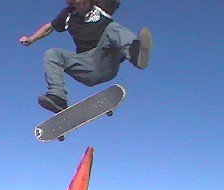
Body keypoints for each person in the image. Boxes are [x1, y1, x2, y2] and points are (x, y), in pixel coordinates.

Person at [20, 0, 152, 113]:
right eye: (78, 3)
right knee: (52, 53)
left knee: (112, 28)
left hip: (105, 62)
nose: (82, 6)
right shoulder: (68, 15)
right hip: (86, 67)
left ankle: (135, 53)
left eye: (85, 2)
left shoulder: (103, 7)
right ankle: (58, 98)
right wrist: (31, 39)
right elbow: (50, 27)